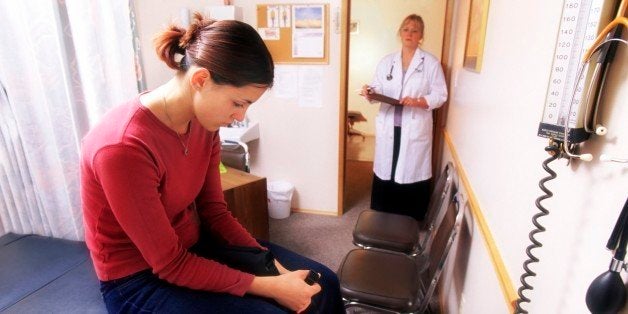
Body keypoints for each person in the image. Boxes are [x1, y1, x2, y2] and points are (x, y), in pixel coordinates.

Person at [80, 13, 344, 313]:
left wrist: (274, 267)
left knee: (324, 285)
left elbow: (214, 213)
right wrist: (270, 285)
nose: (240, 116)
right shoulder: (123, 147)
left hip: (194, 246)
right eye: (238, 102)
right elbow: (170, 264)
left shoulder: (204, 125)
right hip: (137, 279)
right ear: (200, 79)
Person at [360, 14, 447, 221]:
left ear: (421, 36)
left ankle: (409, 219)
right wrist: (370, 90)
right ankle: (382, 215)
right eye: (406, 29)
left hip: (413, 127)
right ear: (400, 33)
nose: (409, 33)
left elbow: (440, 95)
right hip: (389, 125)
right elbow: (379, 86)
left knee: (409, 169)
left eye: (415, 30)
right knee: (387, 168)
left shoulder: (431, 63)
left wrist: (418, 101)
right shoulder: (386, 61)